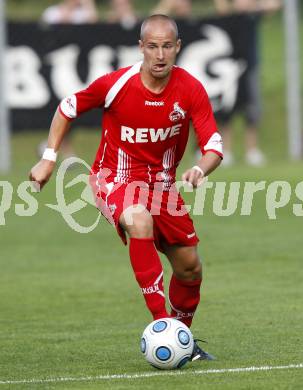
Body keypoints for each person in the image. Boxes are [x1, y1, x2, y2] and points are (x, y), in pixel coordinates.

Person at [29, 14, 223, 361]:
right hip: (112, 179)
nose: (160, 55)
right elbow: (67, 107)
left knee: (190, 267)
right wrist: (48, 157)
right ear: (141, 48)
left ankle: (182, 340)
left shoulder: (191, 89)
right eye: (152, 47)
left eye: (167, 46)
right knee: (138, 219)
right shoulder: (116, 84)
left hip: (162, 186)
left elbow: (214, 146)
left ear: (177, 47)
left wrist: (198, 167)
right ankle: (162, 324)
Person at [213, 0, 281, 166]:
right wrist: (234, 8)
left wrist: (253, 6)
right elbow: (220, 7)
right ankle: (225, 152)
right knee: (226, 112)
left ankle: (252, 151)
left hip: (250, 68)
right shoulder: (228, 15)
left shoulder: (252, 15)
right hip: (228, 70)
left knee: (252, 112)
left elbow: (274, 5)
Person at [39, 0, 99, 160]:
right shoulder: (52, 12)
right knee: (60, 110)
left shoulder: (82, 14)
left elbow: (95, 24)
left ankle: (53, 146)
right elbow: (47, 31)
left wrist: (87, 4)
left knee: (72, 112)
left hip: (77, 70)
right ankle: (59, 149)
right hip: (57, 70)